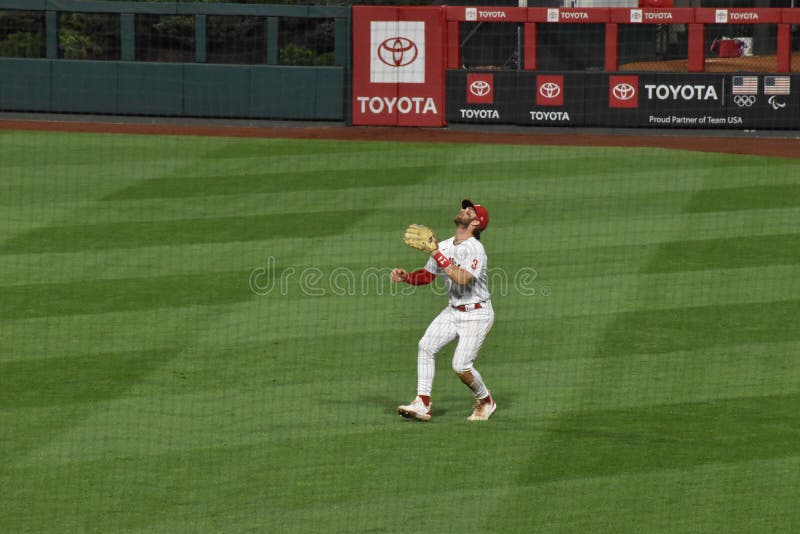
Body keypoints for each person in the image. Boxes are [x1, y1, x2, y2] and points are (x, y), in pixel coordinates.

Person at [390, 199, 495, 421]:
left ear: (476, 222)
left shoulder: (476, 249)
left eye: (469, 210)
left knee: (461, 366)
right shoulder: (446, 245)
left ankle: (486, 400)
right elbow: (427, 276)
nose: (463, 210)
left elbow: (463, 278)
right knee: (426, 346)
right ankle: (422, 403)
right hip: (453, 310)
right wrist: (407, 277)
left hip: (477, 314)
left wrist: (437, 253)